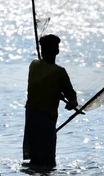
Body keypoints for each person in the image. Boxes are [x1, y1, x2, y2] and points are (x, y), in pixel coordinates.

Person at [23, 34, 78, 167]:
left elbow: (43, 84)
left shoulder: (34, 65)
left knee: (35, 159)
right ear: (57, 51)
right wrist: (72, 103)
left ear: (41, 50)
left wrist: (56, 92)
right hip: (46, 120)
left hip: (31, 118)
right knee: (48, 162)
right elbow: (71, 97)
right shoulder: (59, 72)